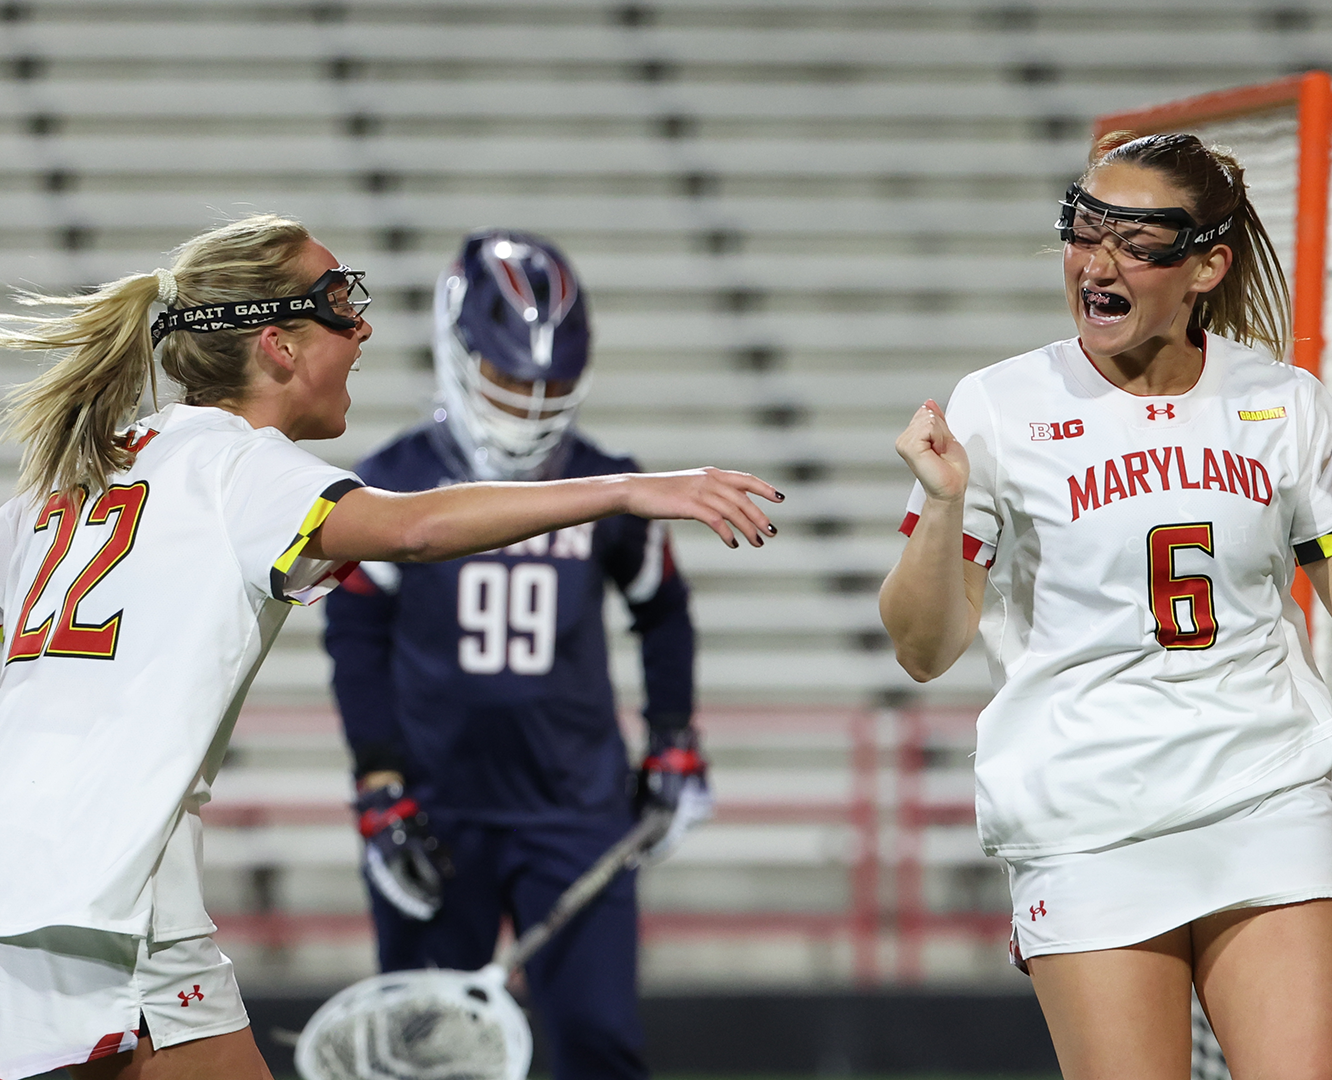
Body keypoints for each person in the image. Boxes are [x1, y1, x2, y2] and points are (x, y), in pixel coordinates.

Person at [0, 215, 777, 1080]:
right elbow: (416, 527)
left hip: (39, 868)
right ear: (277, 346)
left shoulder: (75, 475)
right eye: (338, 302)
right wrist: (630, 489)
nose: (362, 326)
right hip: (108, 886)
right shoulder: (237, 467)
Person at [878, 132, 1332, 1080]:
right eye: (1084, 233)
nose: (1097, 264)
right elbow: (924, 649)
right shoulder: (1000, 406)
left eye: (1136, 243)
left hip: (1264, 796)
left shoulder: (1280, 404)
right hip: (1086, 816)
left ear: (1207, 265)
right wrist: (942, 503)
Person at [323, 229, 706, 1080]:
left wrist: (675, 738)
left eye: (552, 384)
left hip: (574, 809)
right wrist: (380, 787)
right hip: (436, 809)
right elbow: (352, 635)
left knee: (599, 1045)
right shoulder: (390, 488)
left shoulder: (603, 486)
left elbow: (663, 610)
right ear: (457, 355)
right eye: (509, 377)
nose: (532, 405)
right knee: (425, 1054)